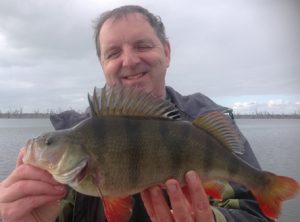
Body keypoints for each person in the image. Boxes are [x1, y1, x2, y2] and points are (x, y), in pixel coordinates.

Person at [0, 5, 274, 222]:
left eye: (142, 46)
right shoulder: (70, 158)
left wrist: (213, 219)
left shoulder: (204, 126)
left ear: (166, 52)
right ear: (102, 64)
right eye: (113, 52)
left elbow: (256, 214)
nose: (129, 60)